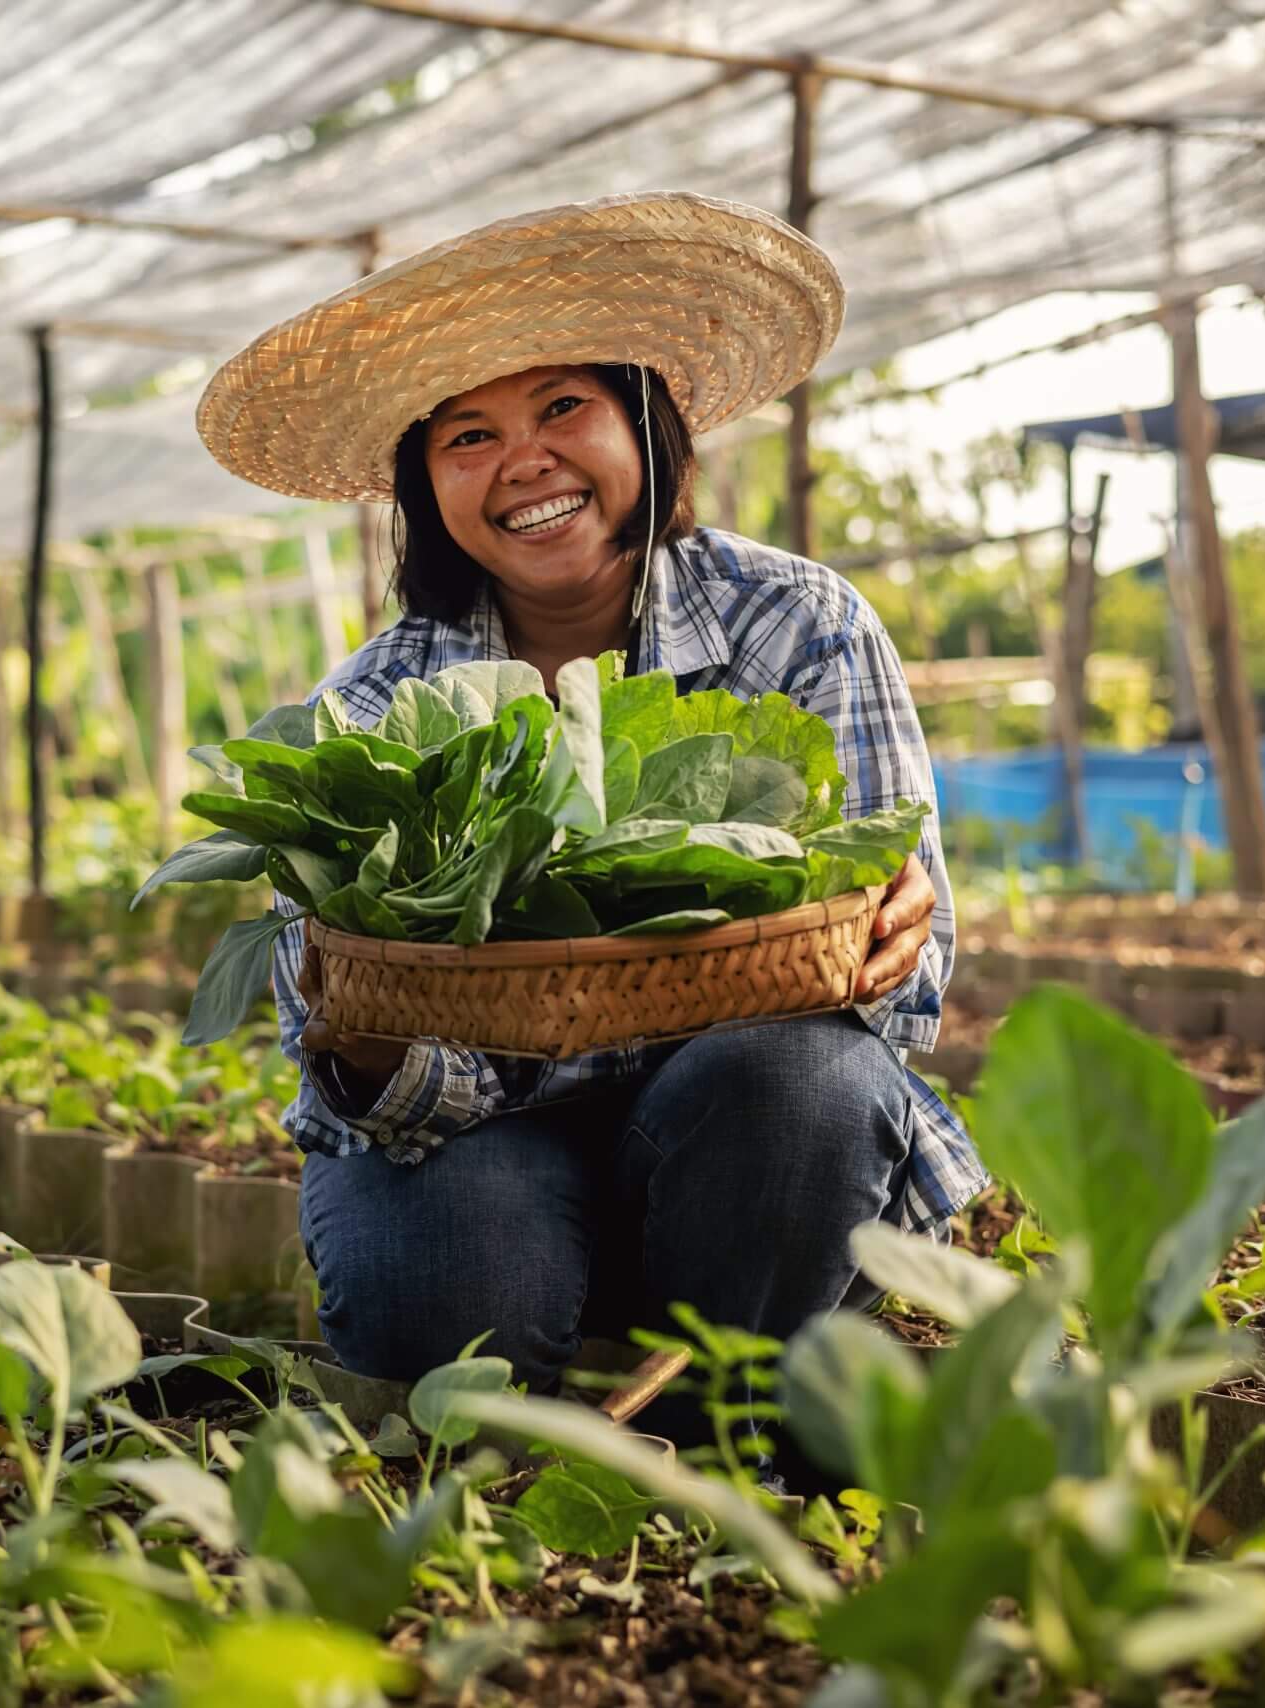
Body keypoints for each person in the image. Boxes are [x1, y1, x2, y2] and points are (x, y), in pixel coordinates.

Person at [193, 192, 983, 1479]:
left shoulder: (800, 624)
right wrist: (695, 992)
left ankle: (738, 1429)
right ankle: (533, 1436)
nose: (525, 461)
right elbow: (346, 1038)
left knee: (801, 1088)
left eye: (562, 407)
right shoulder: (370, 709)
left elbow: (896, 998)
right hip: (465, 1140)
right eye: (467, 433)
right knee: (445, 1298)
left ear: (642, 425)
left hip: (732, 1125)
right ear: (419, 481)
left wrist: (523, 1011)